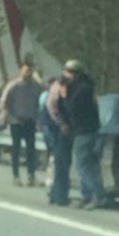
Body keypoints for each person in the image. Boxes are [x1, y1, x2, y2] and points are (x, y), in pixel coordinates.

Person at [61, 59, 107, 210]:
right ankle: (86, 196)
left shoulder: (81, 89)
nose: (66, 75)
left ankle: (98, 195)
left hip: (85, 131)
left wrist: (64, 96)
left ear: (74, 74)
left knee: (83, 166)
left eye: (68, 72)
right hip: (89, 130)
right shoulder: (85, 87)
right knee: (87, 164)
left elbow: (72, 108)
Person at [0, 63, 42, 186]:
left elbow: (40, 103)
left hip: (30, 121)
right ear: (20, 71)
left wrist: (38, 119)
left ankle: (31, 176)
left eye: (30, 71)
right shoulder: (13, 85)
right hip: (16, 121)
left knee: (31, 150)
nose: (28, 73)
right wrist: (6, 117)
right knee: (16, 149)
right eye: (26, 70)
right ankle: (16, 176)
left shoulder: (36, 87)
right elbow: (3, 102)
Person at [46, 76, 72, 205]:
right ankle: (59, 195)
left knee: (59, 163)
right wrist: (62, 123)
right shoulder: (61, 91)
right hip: (60, 129)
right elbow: (52, 107)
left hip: (60, 128)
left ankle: (55, 193)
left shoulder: (61, 90)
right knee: (61, 163)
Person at [38, 78, 58, 189]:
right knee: (53, 152)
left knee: (52, 153)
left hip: (49, 126)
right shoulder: (46, 96)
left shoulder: (48, 95)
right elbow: (42, 109)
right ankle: (50, 178)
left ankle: (50, 177)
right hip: (49, 126)